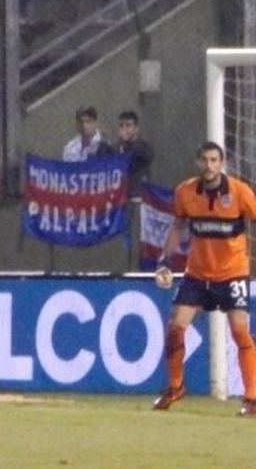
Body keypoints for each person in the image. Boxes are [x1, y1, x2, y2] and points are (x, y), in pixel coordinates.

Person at [152, 141, 256, 415]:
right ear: (198, 163)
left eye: (214, 160)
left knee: (240, 331)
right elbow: (178, 226)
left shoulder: (239, 192)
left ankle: (252, 397)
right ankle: (175, 387)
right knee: (175, 327)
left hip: (232, 273)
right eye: (205, 160)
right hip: (197, 274)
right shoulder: (185, 192)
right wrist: (164, 260)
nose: (209, 165)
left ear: (222, 163)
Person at [113, 110, 156, 190]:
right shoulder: (115, 149)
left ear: (136, 129)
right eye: (121, 126)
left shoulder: (143, 147)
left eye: (128, 125)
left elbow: (146, 155)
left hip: (138, 195)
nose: (124, 129)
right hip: (119, 195)